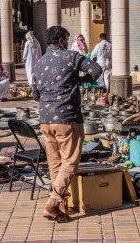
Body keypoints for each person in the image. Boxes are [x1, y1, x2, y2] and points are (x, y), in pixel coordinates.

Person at [32, 26, 102, 223]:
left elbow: (36, 94)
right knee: (70, 162)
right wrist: (79, 81)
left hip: (45, 119)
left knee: (55, 164)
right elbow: (96, 70)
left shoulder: (39, 63)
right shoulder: (71, 56)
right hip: (67, 117)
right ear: (62, 41)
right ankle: (52, 203)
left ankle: (61, 207)